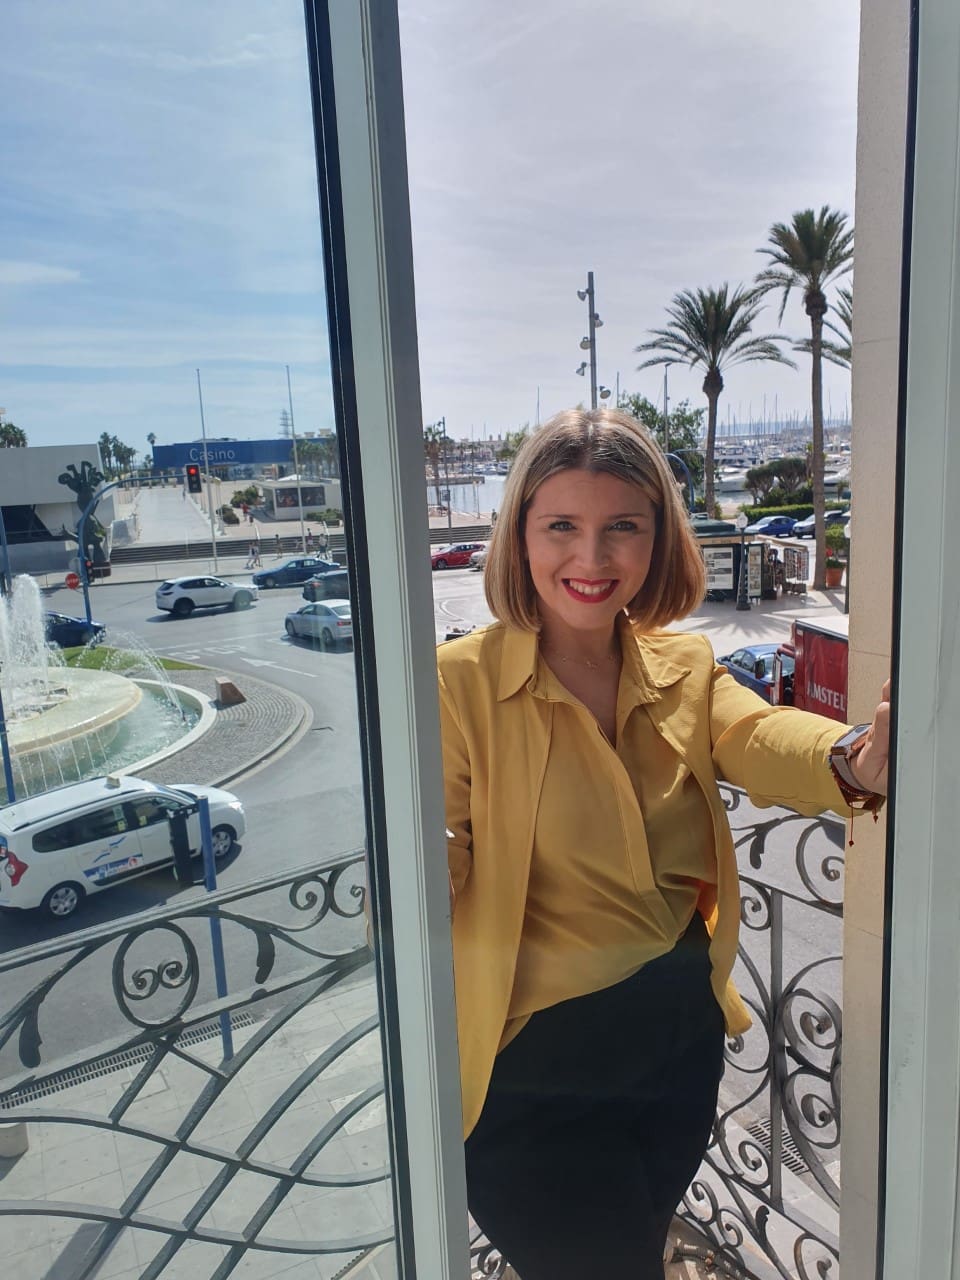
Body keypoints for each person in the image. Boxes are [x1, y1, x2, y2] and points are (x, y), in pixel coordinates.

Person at [437, 408, 889, 1279]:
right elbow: (443, 842)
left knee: (640, 1240)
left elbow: (757, 737)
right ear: (519, 536)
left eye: (622, 529)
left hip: (675, 1037)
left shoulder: (683, 665)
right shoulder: (459, 684)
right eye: (561, 526)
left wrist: (852, 759)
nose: (592, 559)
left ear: (658, 540)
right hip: (530, 1072)